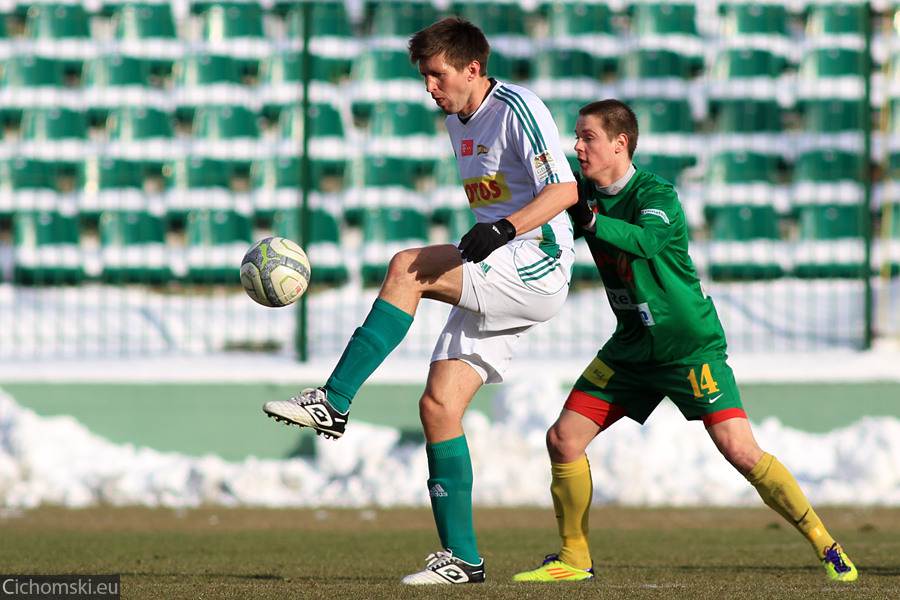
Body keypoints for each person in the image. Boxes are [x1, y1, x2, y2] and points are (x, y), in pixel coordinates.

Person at [263, 17, 577, 585]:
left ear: (472, 69)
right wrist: (495, 234)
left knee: (406, 268)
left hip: (536, 264)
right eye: (423, 78)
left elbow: (565, 189)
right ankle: (463, 559)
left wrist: (505, 231)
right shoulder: (460, 122)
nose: (429, 88)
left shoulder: (517, 107)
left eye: (436, 75)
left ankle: (333, 400)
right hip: (499, 264)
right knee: (437, 408)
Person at [512, 99, 858, 584]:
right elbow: (541, 177)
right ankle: (574, 558)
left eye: (587, 137)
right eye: (576, 136)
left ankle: (827, 545)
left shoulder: (657, 193)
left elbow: (648, 241)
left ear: (620, 143)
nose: (577, 146)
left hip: (687, 346)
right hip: (632, 346)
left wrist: (589, 222)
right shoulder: (579, 188)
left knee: (740, 450)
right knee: (563, 439)